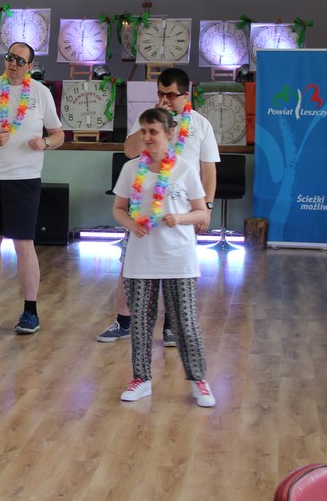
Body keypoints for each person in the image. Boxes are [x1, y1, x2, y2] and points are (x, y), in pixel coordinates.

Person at [99, 68, 220, 345]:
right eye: (161, 93)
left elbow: (208, 171)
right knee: (129, 262)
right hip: (143, 204)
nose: (165, 99)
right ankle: (124, 322)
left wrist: (207, 208)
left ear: (186, 94)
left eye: (171, 95)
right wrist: (154, 120)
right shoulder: (147, 121)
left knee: (175, 270)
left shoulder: (200, 125)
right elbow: (130, 151)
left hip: (180, 210)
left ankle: (170, 326)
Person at [113, 107, 215, 407]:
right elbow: (119, 208)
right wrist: (131, 224)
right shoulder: (131, 169)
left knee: (185, 322)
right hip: (140, 259)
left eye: (153, 131)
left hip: (178, 258)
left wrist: (179, 218)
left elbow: (201, 212)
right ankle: (141, 379)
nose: (147, 137)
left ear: (169, 134)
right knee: (140, 321)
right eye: (144, 131)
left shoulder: (184, 169)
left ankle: (199, 380)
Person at [0, 42, 64, 334]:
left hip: (23, 178)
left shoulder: (40, 93)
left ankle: (30, 311)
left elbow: (58, 134)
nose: (13, 64)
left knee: (23, 244)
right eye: (10, 58)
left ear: (30, 66)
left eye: (20, 60)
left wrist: (45, 142)